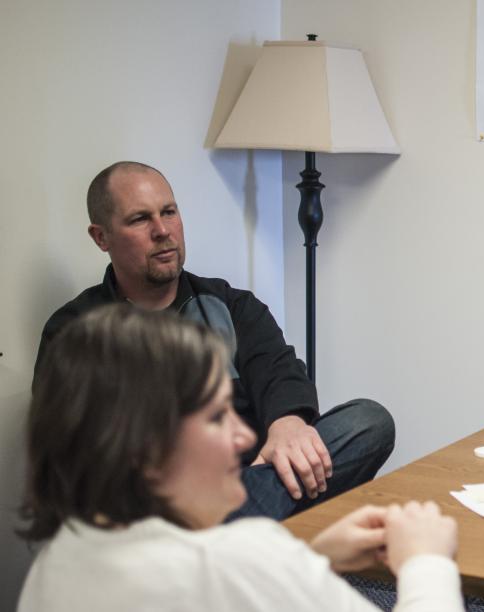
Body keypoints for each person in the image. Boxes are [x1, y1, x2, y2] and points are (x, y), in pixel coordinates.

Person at [18, 305, 484, 612]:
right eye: (218, 418)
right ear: (141, 448)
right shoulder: (239, 558)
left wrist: (311, 558)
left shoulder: (58, 562)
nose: (244, 439)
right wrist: (422, 562)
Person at [33, 161, 394, 520]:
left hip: (250, 477)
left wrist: (287, 424)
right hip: (154, 510)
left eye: (169, 212)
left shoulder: (232, 305)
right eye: (140, 219)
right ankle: (245, 532)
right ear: (101, 237)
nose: (162, 230)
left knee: (367, 422)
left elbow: (280, 371)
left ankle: (239, 530)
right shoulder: (75, 332)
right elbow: (76, 458)